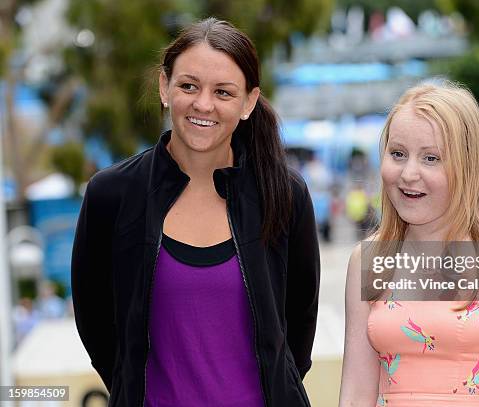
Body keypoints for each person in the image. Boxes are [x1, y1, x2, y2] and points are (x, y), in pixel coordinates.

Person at [71, 17, 320, 407]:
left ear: (249, 102)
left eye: (223, 92)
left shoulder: (285, 196)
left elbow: (298, 329)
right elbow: (98, 327)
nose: (203, 104)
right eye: (189, 85)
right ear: (163, 87)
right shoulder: (111, 195)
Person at [339, 81, 479, 406]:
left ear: (469, 164)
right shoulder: (367, 260)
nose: (408, 173)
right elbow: (354, 396)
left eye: (431, 158)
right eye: (397, 154)